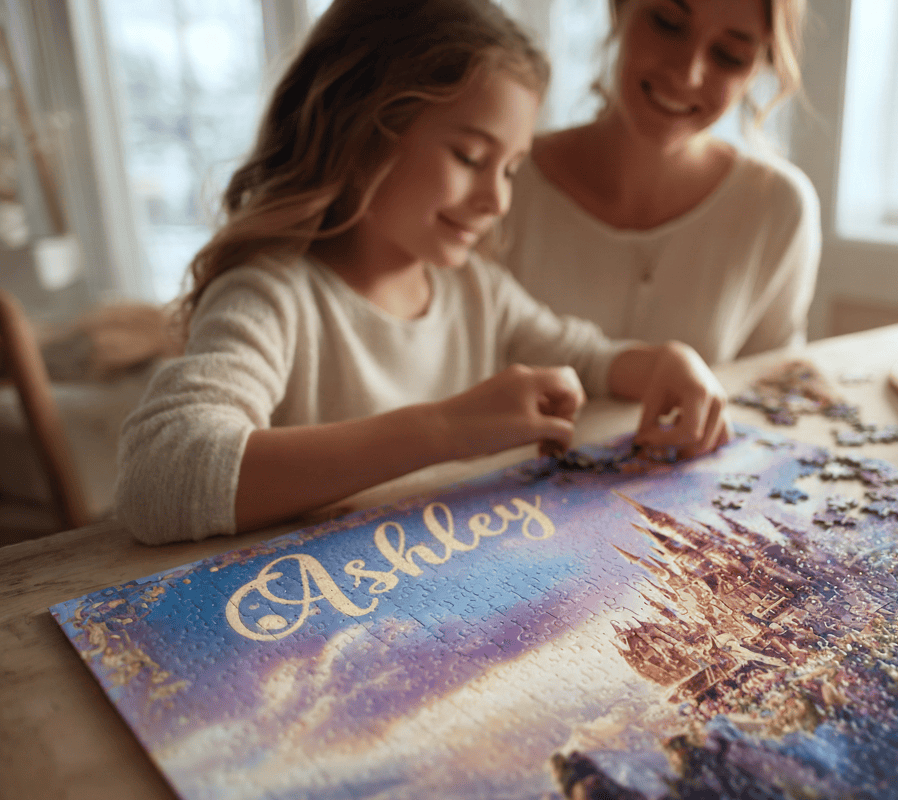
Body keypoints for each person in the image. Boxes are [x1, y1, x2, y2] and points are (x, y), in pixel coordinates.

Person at [115, 0, 729, 546]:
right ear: (359, 132)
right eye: (470, 157)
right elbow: (159, 477)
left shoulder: (475, 290)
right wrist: (444, 429)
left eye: (511, 168)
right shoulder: (272, 294)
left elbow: (587, 357)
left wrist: (665, 362)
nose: (497, 200)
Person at [496, 0, 820, 366]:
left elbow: (766, 396)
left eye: (729, 55)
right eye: (667, 23)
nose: (688, 74)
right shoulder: (500, 182)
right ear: (620, 10)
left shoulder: (778, 208)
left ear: (759, 69)